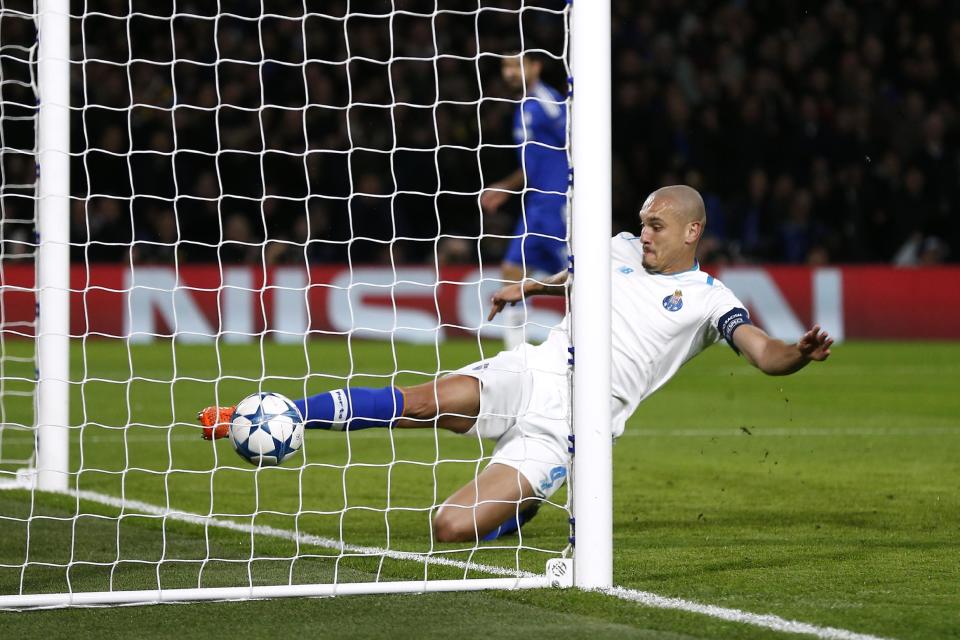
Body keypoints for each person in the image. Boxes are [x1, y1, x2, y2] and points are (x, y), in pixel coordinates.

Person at [198, 185, 834, 543]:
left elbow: (763, 353)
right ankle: (286, 414)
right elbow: (577, 275)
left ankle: (521, 512)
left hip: (576, 423)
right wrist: (529, 288)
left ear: (692, 232)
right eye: (642, 223)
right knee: (424, 400)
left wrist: (797, 354)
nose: (643, 234)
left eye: (657, 227)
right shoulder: (616, 247)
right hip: (538, 367)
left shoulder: (709, 300)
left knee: (449, 527)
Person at [480, 53, 569, 350]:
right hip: (536, 205)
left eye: (515, 65)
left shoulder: (548, 101)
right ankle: (515, 355)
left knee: (577, 277)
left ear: (535, 66)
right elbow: (533, 164)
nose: (509, 72)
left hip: (558, 203)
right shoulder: (523, 107)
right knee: (512, 271)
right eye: (504, 66)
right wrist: (505, 187)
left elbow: (576, 140)